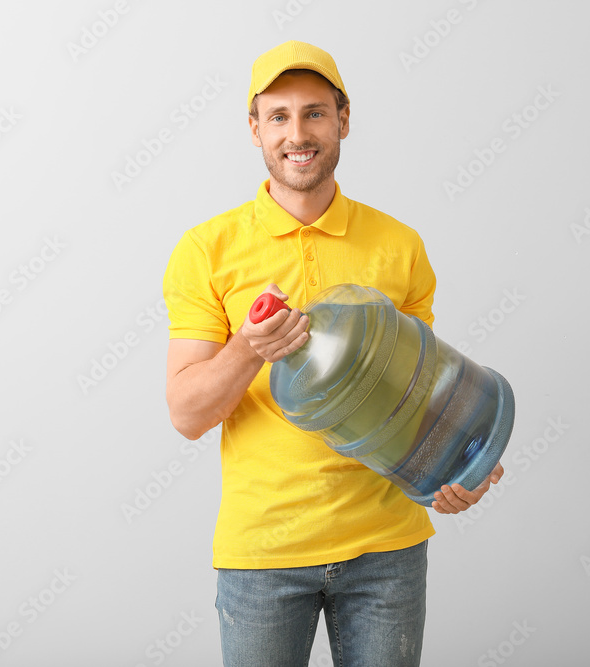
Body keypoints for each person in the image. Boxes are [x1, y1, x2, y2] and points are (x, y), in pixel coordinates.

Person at [162, 40, 504, 667]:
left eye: (316, 113)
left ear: (343, 120)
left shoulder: (398, 246)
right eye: (280, 115)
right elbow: (187, 414)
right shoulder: (206, 249)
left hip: (386, 549)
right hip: (263, 552)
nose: (299, 133)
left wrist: (463, 468)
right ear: (255, 129)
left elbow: (423, 399)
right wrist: (249, 347)